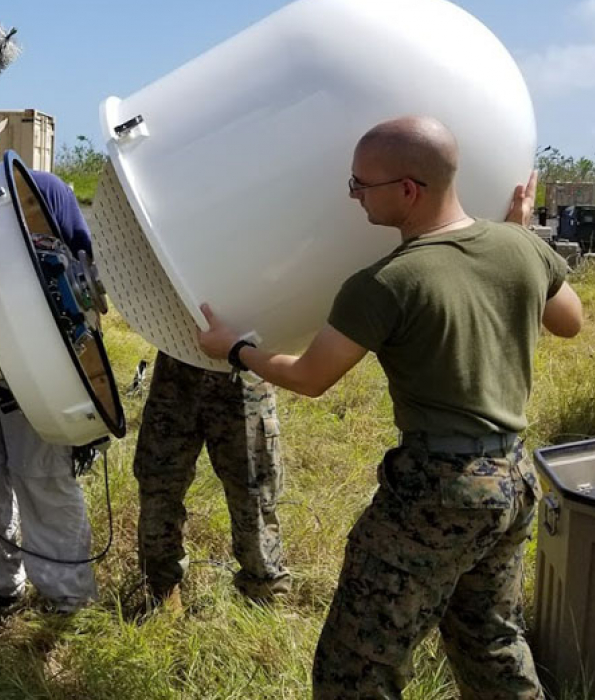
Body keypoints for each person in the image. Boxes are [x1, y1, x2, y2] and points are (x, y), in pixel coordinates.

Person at [197, 116, 582, 699]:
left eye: (360, 185)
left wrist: (235, 348)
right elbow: (570, 321)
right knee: (491, 644)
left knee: (355, 670)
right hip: (512, 482)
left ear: (408, 189)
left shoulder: (385, 283)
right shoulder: (519, 247)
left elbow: (310, 377)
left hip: (436, 493)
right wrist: (520, 241)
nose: (352, 197)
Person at [0, 110, 99, 614]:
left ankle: (65, 595)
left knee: (42, 478)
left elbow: (81, 273)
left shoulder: (42, 191)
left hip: (37, 369)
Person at [131, 352, 290, 612]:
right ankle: (163, 590)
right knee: (158, 483)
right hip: (176, 371)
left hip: (245, 373)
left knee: (254, 495)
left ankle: (262, 593)